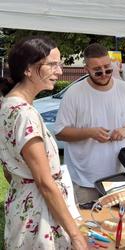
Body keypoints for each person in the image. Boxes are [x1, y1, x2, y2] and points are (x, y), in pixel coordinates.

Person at [0, 37, 88, 249]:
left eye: (60, 64)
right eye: (52, 64)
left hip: (23, 205)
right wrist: (76, 235)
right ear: (28, 69)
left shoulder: (8, 106)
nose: (59, 72)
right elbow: (45, 183)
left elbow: (8, 171)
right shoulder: (24, 114)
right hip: (39, 215)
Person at [54, 43, 125, 204]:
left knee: (119, 225)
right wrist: (89, 133)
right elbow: (60, 132)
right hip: (84, 179)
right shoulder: (74, 93)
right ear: (86, 69)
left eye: (108, 68)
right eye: (97, 71)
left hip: (118, 177)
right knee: (85, 227)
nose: (104, 73)